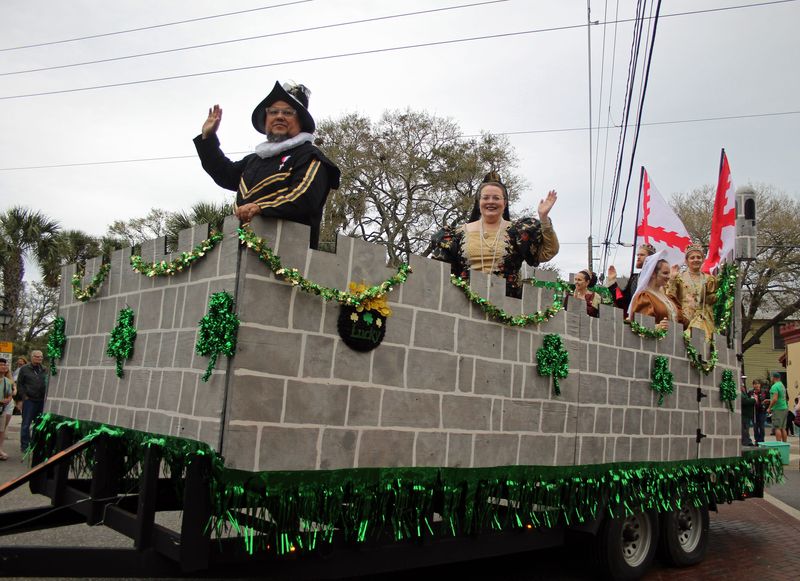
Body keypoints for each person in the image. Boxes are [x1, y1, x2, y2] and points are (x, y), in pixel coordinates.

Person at [194, 80, 341, 249]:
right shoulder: (254, 160)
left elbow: (303, 199)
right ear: (266, 120)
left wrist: (260, 208)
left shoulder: (309, 157)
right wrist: (208, 138)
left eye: (288, 112)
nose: (279, 116)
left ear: (300, 122)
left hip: (289, 255)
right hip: (241, 251)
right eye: (273, 112)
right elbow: (224, 173)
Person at [431, 172, 559, 298]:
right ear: (478, 201)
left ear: (505, 202)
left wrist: (543, 218)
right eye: (485, 198)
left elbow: (547, 252)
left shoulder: (518, 231)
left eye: (496, 198)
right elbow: (440, 272)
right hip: (464, 302)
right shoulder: (456, 234)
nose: (490, 202)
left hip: (507, 306)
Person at [667, 244, 718, 340]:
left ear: (703, 259)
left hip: (703, 317)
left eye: (699, 257)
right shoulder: (679, 277)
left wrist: (711, 297)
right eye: (692, 258)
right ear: (686, 261)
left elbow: (712, 299)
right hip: (684, 316)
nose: (696, 260)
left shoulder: (709, 279)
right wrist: (672, 280)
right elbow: (670, 296)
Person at [628, 251, 686, 330]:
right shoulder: (644, 297)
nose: (668, 277)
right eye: (665, 273)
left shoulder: (668, 298)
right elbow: (640, 326)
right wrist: (657, 327)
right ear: (653, 274)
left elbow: (682, 323)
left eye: (669, 273)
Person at [606, 243, 656, 317]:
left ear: (651, 258)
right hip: (636, 319)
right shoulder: (634, 279)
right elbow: (624, 302)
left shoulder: (657, 278)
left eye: (642, 255)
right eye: (638, 255)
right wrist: (613, 283)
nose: (638, 257)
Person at [16, 350, 48, 454]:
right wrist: (24, 397)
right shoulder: (24, 369)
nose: (39, 359)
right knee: (26, 424)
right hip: (29, 400)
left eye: (41, 357)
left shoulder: (45, 369)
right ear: (32, 357)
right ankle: (25, 445)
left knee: (38, 424)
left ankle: (35, 444)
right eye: (37, 357)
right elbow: (19, 384)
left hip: (41, 401)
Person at [0, 358, 17, 460]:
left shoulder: (7, 382)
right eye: (1, 364)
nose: (3, 366)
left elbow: (9, 394)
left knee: (1, 430)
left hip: (1, 410)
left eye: (4, 365)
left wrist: (7, 399)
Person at [766, 371, 788, 443]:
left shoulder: (774, 386)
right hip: (784, 408)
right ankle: (784, 444)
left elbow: (775, 399)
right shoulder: (782, 385)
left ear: (773, 378)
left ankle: (779, 444)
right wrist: (769, 400)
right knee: (783, 428)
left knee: (777, 428)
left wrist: (769, 407)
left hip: (777, 409)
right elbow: (779, 398)